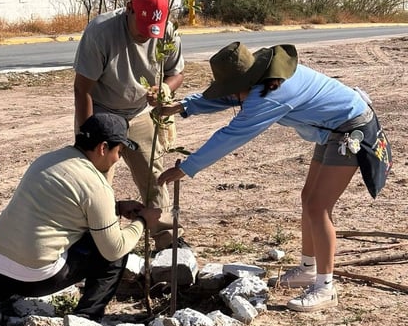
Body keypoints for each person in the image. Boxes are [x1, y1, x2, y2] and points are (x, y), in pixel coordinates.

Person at [157, 40, 384, 312]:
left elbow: (231, 136)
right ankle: (308, 269)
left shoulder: (270, 96)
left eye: (233, 89)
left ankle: (325, 287)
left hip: (351, 128)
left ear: (247, 81)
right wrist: (183, 106)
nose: (233, 96)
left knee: (319, 206)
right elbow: (227, 97)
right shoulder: (262, 78)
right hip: (331, 129)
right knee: (308, 199)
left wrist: (186, 167)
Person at [0, 114, 161, 325]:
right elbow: (114, 248)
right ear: (103, 148)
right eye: (119, 152)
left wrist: (116, 208)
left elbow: (64, 207)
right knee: (115, 250)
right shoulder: (96, 185)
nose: (118, 159)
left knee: (24, 261)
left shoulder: (49, 159)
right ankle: (86, 317)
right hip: (38, 277)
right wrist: (142, 221)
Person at [73, 0, 186, 251]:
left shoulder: (168, 32)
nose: (147, 36)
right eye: (142, 28)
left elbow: (176, 73)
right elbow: (82, 89)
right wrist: (90, 135)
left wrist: (165, 89)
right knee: (96, 182)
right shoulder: (101, 32)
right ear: (129, 10)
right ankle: (96, 246)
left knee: (155, 176)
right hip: (102, 111)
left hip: (141, 113)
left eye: (153, 31)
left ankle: (167, 242)